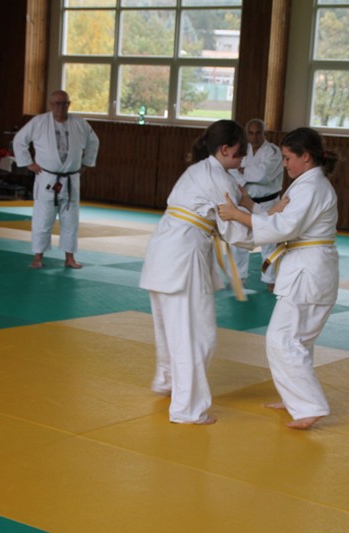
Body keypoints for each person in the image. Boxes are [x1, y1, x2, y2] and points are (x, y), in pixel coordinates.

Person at [218, 127, 339, 430]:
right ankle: (295, 398)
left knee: (282, 339)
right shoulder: (306, 184)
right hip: (308, 269)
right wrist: (248, 205)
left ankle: (309, 405)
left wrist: (237, 215)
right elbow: (278, 218)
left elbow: (283, 228)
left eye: (287, 158)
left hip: (308, 271)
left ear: (305, 156)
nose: (284, 165)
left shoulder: (312, 187)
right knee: (299, 341)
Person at [139, 120, 254, 425]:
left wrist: (251, 208)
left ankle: (167, 381)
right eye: (241, 151)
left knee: (170, 328)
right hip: (184, 257)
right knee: (196, 334)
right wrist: (271, 226)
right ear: (225, 149)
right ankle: (187, 409)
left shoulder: (198, 170)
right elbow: (236, 233)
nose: (244, 157)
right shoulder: (221, 179)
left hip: (164, 250)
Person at [13, 90, 100, 269]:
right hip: (47, 177)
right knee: (43, 219)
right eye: (57, 103)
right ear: (51, 105)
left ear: (69, 104)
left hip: (71, 178)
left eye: (64, 103)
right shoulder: (39, 122)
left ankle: (70, 258)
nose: (61, 107)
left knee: (71, 221)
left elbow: (94, 142)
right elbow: (19, 140)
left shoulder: (80, 123)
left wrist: (86, 163)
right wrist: (28, 163)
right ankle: (38, 257)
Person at [229, 119, 284, 291]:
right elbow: (232, 171)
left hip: (268, 203)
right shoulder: (241, 150)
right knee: (239, 239)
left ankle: (270, 279)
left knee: (269, 242)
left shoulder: (273, 151)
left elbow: (263, 175)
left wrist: (244, 171)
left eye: (258, 133)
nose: (255, 137)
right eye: (251, 133)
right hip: (244, 201)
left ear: (264, 133)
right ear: (247, 134)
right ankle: (238, 277)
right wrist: (246, 173)